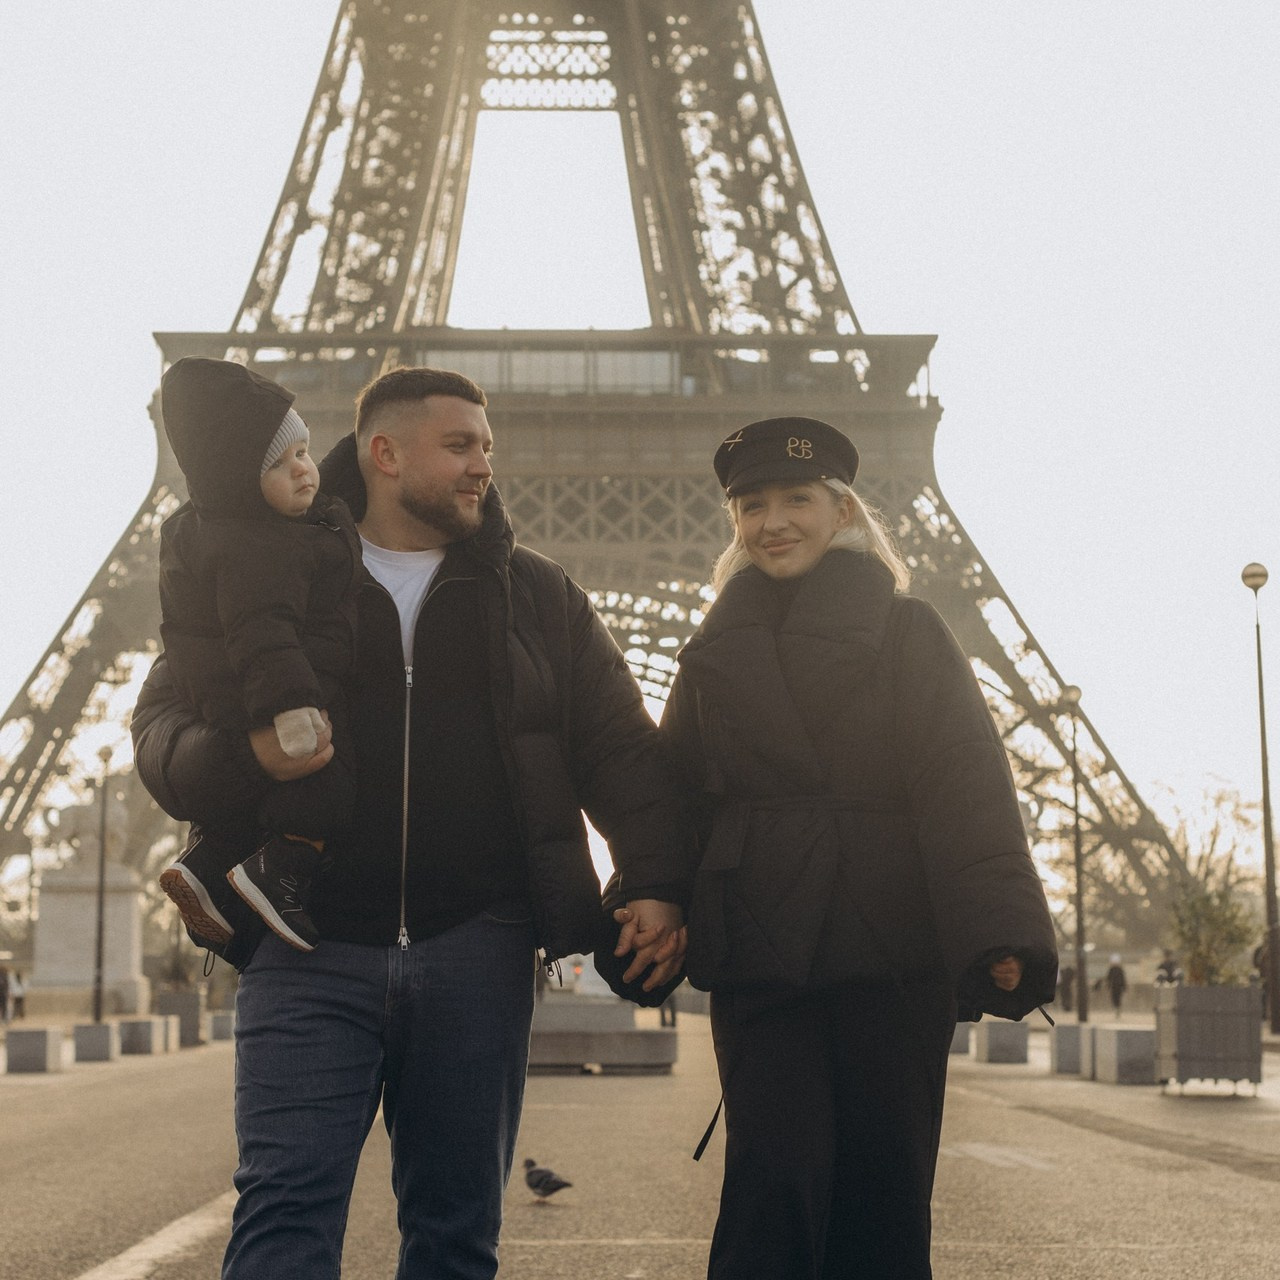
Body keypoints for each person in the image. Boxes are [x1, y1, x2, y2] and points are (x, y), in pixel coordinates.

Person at [132, 365, 691, 1279]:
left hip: (478, 945)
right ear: (385, 453)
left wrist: (657, 882)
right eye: (461, 445)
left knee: (456, 1234)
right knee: (283, 1215)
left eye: (488, 448)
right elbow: (161, 727)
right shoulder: (270, 563)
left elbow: (622, 750)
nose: (484, 467)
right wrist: (248, 760)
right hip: (305, 945)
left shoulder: (540, 597)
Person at [656, 417, 1058, 1280]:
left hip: (889, 942)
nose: (772, 522)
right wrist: (649, 895)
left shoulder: (910, 631)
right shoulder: (712, 652)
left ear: (842, 511)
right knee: (774, 1179)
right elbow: (674, 795)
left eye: (795, 499)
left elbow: (962, 781)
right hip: (766, 944)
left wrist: (999, 929)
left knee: (886, 1179)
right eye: (751, 505)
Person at [154, 357, 361, 956]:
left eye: (306, 454)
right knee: (326, 784)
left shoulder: (260, 528)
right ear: (242, 482)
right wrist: (291, 708)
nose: (305, 471)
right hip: (272, 694)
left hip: (238, 691)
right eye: (282, 463)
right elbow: (262, 633)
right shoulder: (256, 548)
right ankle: (279, 870)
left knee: (267, 796)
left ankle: (209, 864)